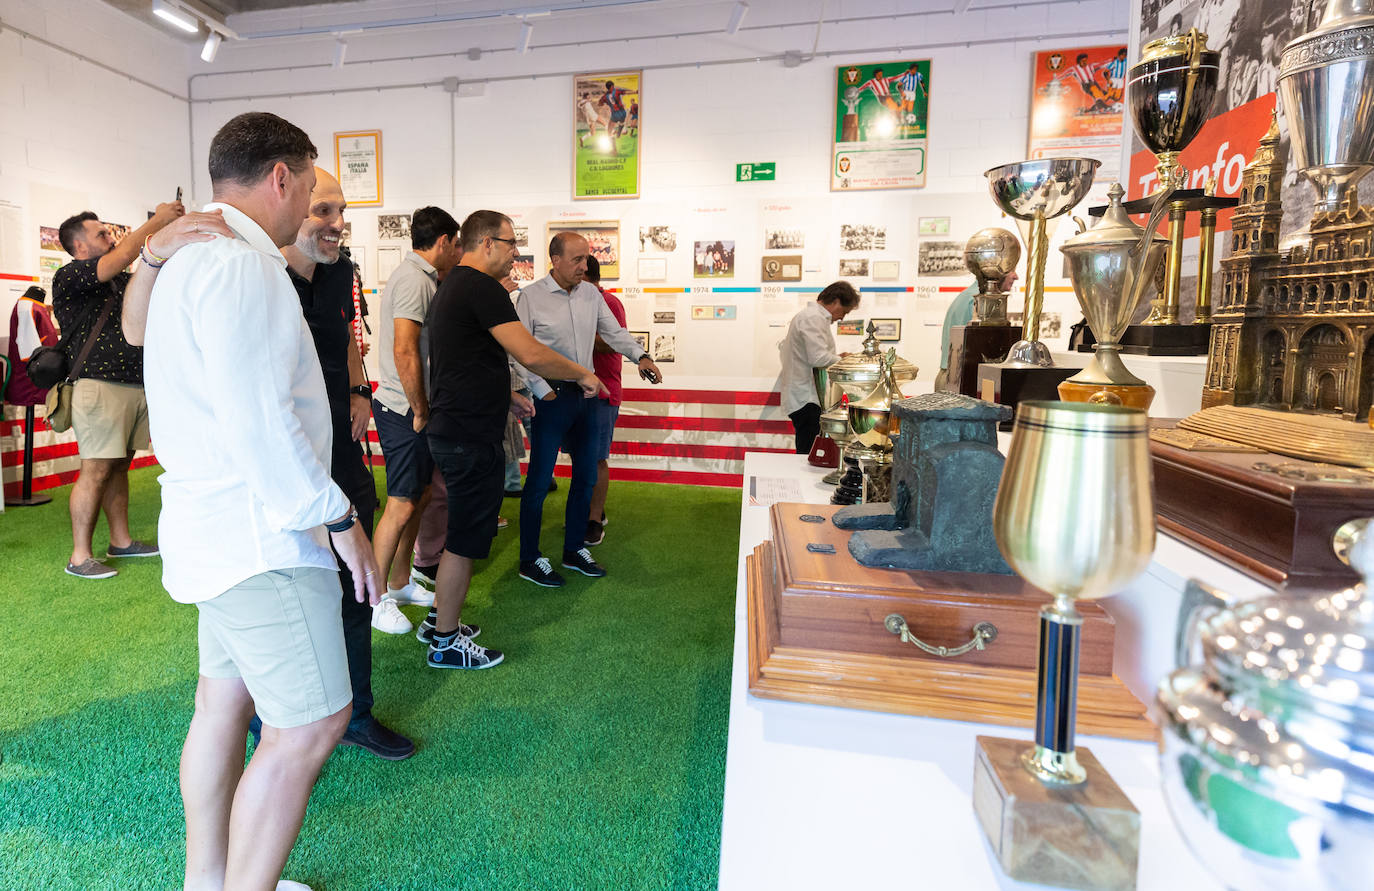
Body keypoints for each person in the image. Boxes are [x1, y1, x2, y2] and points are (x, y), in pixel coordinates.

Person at [131, 111, 382, 891]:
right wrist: (338, 517)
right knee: (311, 722)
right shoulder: (239, 264)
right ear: (282, 177)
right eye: (311, 190)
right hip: (260, 536)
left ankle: (209, 881)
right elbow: (257, 421)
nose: (313, 207)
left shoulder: (193, 263)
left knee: (222, 707)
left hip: (222, 533)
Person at [419, 210, 604, 667]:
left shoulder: (453, 287)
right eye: (510, 245)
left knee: (463, 535)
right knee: (463, 541)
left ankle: (439, 621)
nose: (516, 255)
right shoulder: (481, 287)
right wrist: (582, 373)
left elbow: (462, 363)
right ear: (486, 244)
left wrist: (505, 397)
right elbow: (530, 352)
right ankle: (445, 642)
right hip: (467, 436)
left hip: (460, 427)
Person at [514, 232, 663, 588]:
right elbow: (517, 352)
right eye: (577, 259)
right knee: (537, 482)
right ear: (556, 259)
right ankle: (529, 558)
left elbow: (614, 332)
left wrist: (640, 356)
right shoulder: (530, 298)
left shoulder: (591, 294)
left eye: (587, 258)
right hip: (550, 400)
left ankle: (574, 548)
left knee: (586, 477)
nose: (585, 266)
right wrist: (540, 390)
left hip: (587, 397)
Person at [52, 200, 185, 578]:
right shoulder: (70, 276)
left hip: (133, 383)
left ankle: (121, 542)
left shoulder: (120, 280)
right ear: (79, 247)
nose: (111, 239)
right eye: (101, 234)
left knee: (119, 466)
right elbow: (123, 256)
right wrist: (157, 224)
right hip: (97, 385)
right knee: (95, 469)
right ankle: (79, 556)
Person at [370, 206, 462, 634]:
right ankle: (374, 600)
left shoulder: (425, 279)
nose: (460, 252)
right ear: (442, 241)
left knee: (420, 497)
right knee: (402, 503)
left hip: (414, 408)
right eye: (457, 243)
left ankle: (400, 582)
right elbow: (405, 350)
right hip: (403, 409)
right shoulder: (413, 280)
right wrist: (421, 409)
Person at [778, 281, 860, 454]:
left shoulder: (812, 317)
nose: (842, 318)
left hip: (806, 396)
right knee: (807, 451)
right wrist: (843, 359)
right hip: (806, 398)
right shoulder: (813, 318)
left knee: (808, 448)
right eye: (844, 312)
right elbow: (818, 357)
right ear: (837, 301)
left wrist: (838, 358)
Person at [583, 255, 623, 547]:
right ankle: (591, 511)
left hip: (602, 393)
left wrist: (576, 336)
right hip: (580, 392)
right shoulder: (576, 301)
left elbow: (616, 341)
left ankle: (594, 520)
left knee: (596, 458)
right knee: (583, 457)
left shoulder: (609, 303)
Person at [934, 271, 1018, 392]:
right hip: (960, 382)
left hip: (951, 378)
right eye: (1011, 270)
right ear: (998, 274)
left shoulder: (966, 297)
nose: (1016, 276)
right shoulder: (977, 302)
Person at [5, 286, 58, 406]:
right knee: (31, 400)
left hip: (39, 371)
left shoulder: (34, 306)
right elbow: (29, 349)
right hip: (31, 378)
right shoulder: (27, 307)